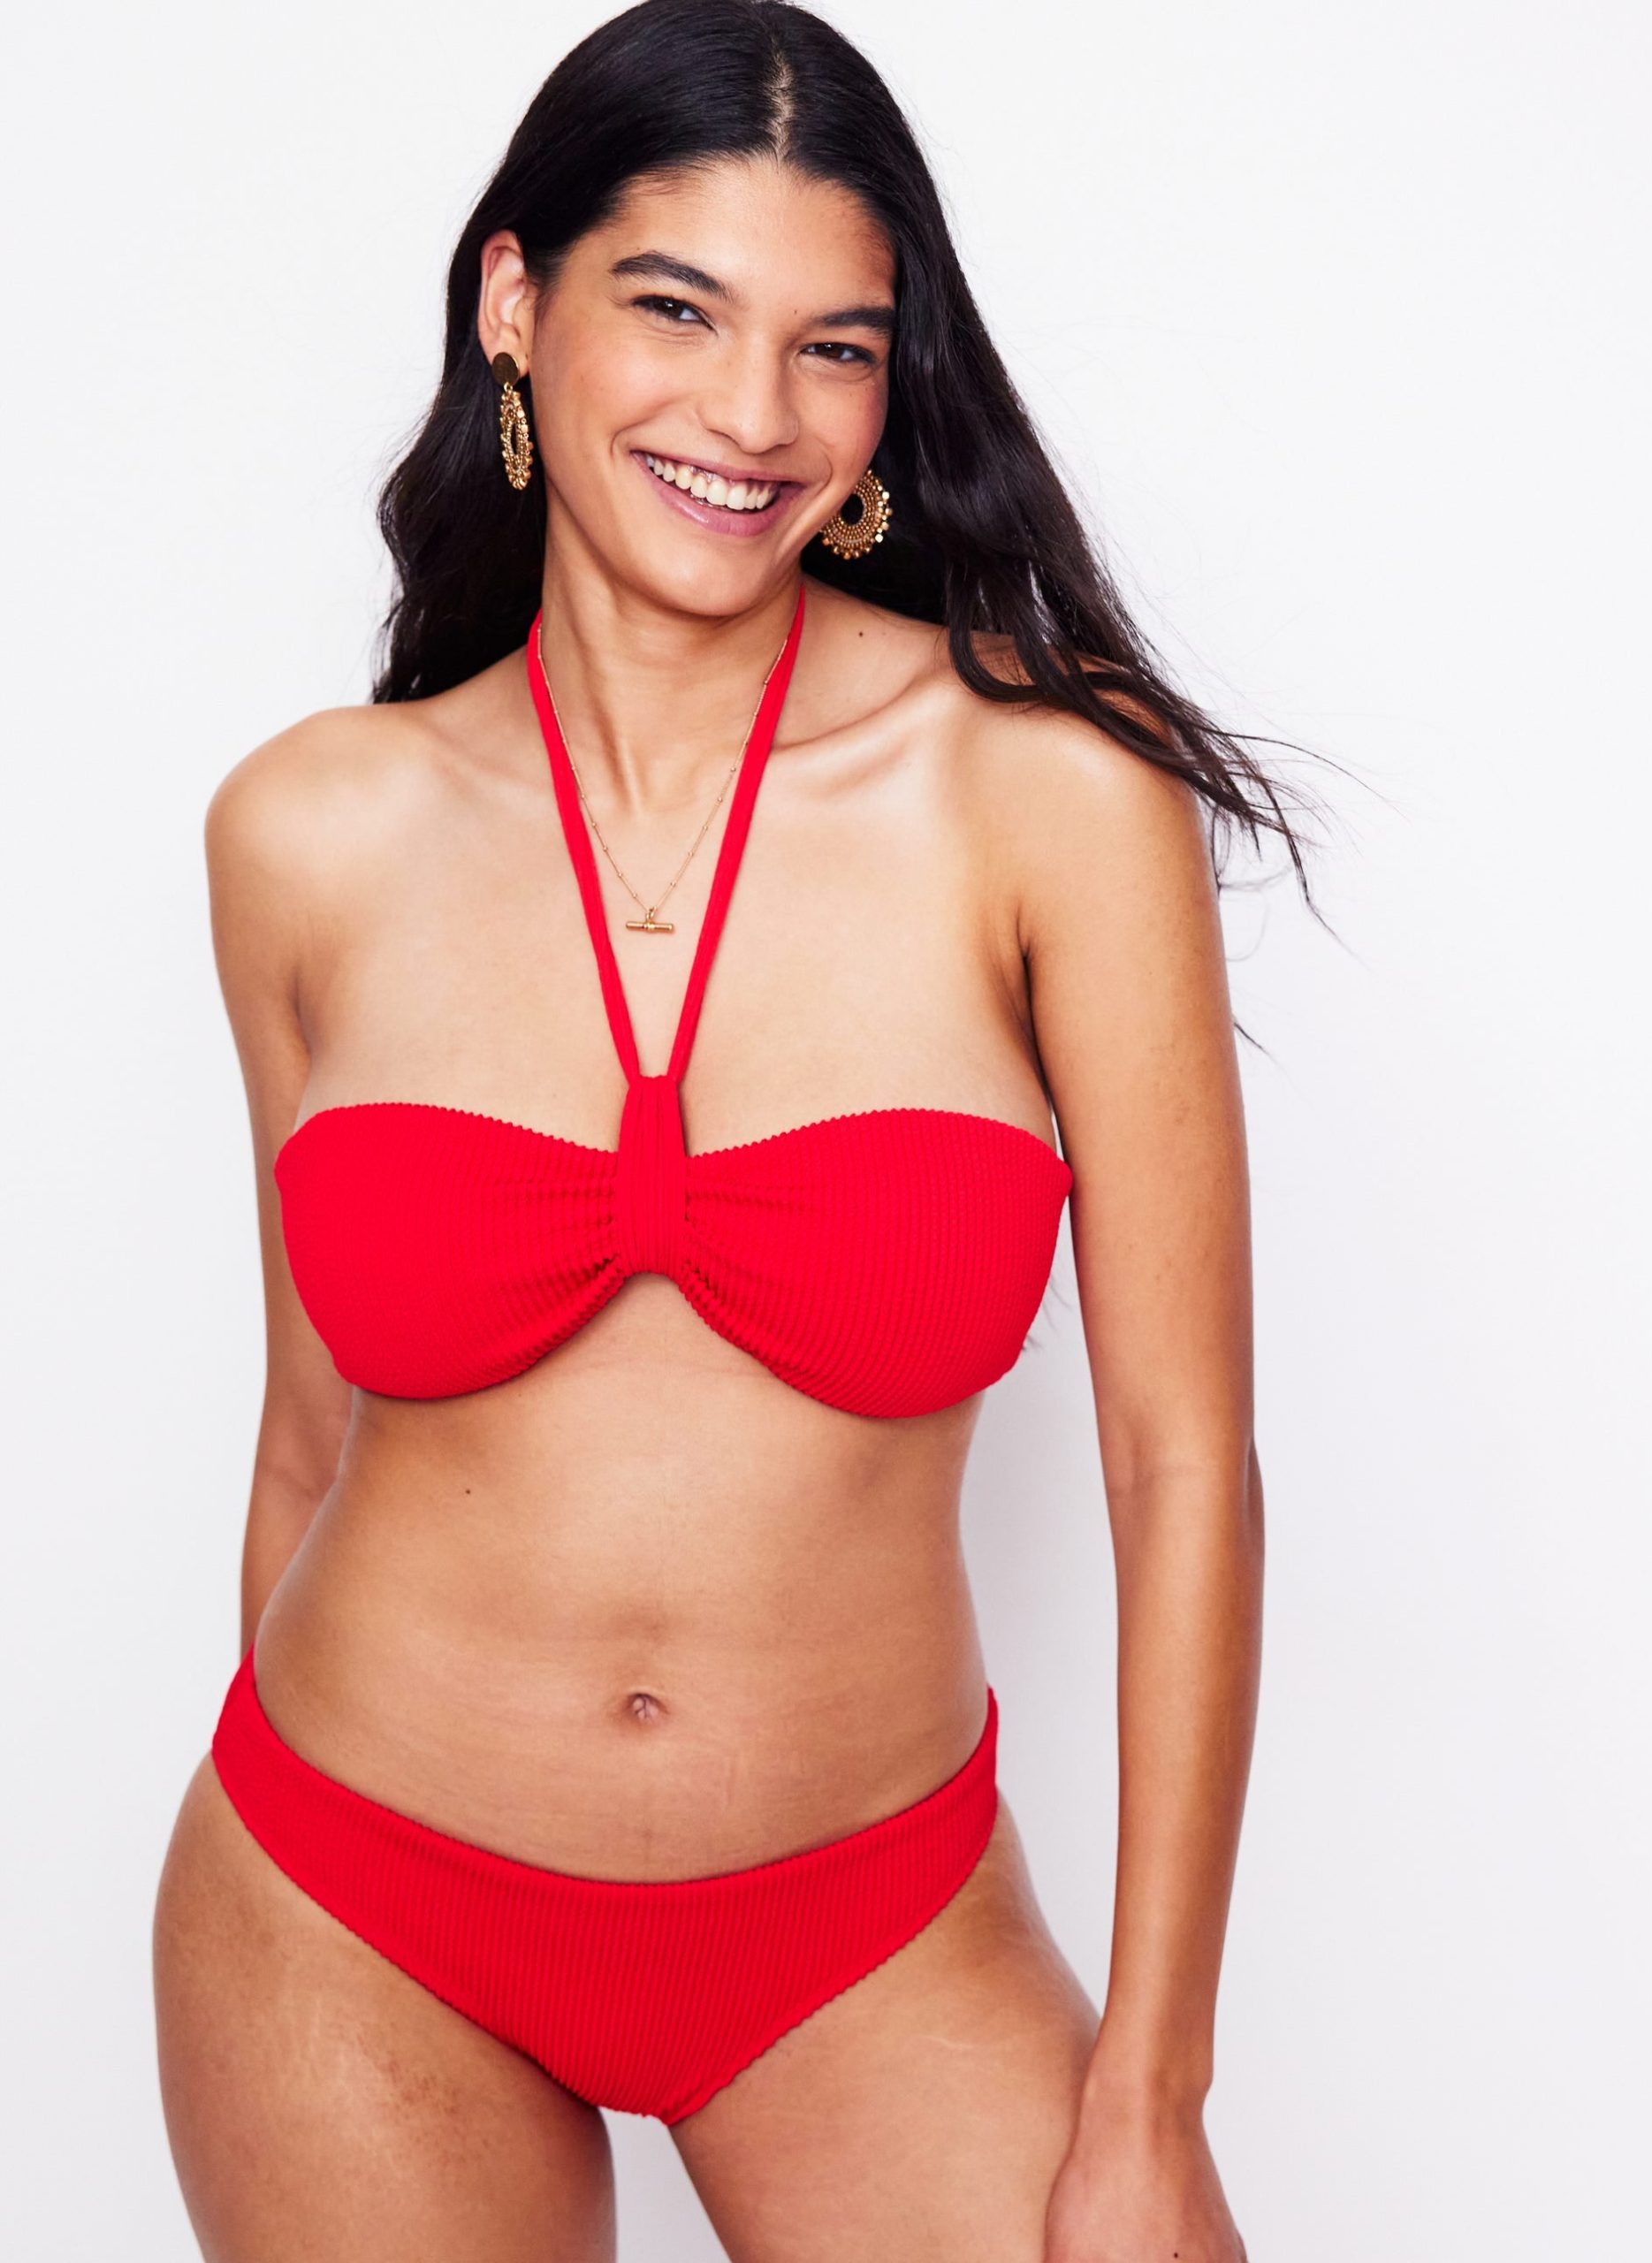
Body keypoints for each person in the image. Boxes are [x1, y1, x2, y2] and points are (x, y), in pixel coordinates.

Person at [154, 3, 1307, 2254]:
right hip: (352, 1899)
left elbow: (1185, 1464)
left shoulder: (1052, 798)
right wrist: (294, 1843)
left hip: (867, 1925)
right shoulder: (308, 832)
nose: (753, 415)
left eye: (833, 347)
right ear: (515, 302)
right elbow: (308, 1434)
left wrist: (1149, 2093)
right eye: (677, 308)